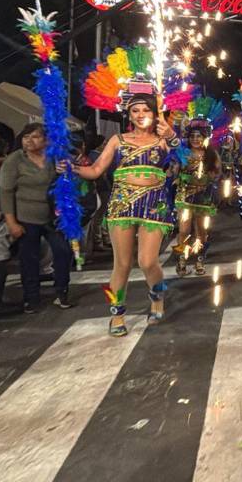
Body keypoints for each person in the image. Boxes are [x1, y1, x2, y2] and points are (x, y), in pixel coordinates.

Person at [76, 94, 178, 335]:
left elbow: (182, 159)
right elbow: (95, 170)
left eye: (146, 110)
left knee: (147, 261)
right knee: (122, 264)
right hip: (122, 204)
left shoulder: (163, 141)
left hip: (154, 204)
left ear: (155, 114)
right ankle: (117, 313)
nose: (141, 115)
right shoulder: (117, 140)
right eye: (135, 110)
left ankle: (157, 297)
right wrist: (71, 168)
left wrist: (172, 136)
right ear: (129, 115)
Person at [0, 123, 73, 313]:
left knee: (63, 251)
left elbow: (68, 182)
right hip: (25, 216)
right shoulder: (15, 160)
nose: (29, 141)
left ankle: (61, 291)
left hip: (52, 216)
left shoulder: (54, 157)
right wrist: (11, 222)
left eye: (35, 137)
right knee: (29, 258)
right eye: (25, 137)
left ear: (46, 140)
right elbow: (5, 192)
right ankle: (31, 297)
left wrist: (64, 172)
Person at [174, 117, 221, 277]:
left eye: (198, 136)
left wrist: (208, 178)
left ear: (205, 138)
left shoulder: (211, 154)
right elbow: (175, 170)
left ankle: (200, 260)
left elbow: (217, 174)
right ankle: (182, 259)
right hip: (185, 195)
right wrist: (175, 172)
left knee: (201, 231)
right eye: (192, 136)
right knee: (184, 230)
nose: (195, 139)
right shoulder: (183, 153)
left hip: (203, 197)